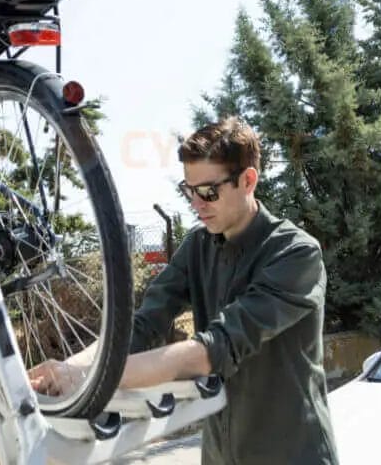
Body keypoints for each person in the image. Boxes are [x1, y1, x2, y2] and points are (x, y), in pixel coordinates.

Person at [29, 116, 338, 464]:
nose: (196, 204)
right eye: (189, 191)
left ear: (248, 180)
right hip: (221, 454)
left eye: (208, 192)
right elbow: (142, 325)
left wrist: (91, 379)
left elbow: (213, 351)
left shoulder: (296, 254)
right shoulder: (198, 247)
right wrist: (65, 369)